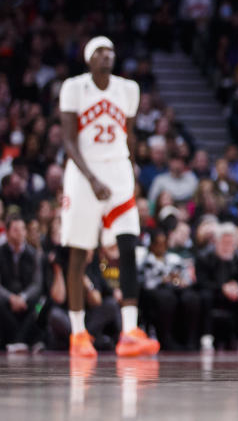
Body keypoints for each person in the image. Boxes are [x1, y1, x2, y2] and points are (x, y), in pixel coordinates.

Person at [58, 36, 160, 359]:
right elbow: (69, 141)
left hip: (117, 172)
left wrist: (131, 173)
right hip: (83, 172)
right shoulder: (74, 87)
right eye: (100, 52)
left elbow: (128, 137)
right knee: (79, 254)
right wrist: (91, 179)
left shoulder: (128, 89)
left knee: (128, 246)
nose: (107, 56)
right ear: (89, 59)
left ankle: (129, 331)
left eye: (111, 51)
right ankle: (78, 334)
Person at [196, 223, 238, 351]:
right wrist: (222, 287)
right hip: (213, 291)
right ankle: (207, 337)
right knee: (205, 297)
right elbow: (202, 282)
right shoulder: (204, 257)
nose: (227, 246)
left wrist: (236, 286)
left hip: (232, 293)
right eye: (224, 242)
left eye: (231, 243)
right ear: (216, 242)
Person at [0, 217, 43, 352]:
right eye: (16, 230)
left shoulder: (34, 254)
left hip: (28, 300)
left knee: (40, 305)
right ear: (7, 233)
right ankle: (25, 340)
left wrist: (23, 297)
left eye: (23, 229)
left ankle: (18, 341)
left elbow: (37, 284)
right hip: (6, 300)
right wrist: (11, 298)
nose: (20, 233)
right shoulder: (0, 252)